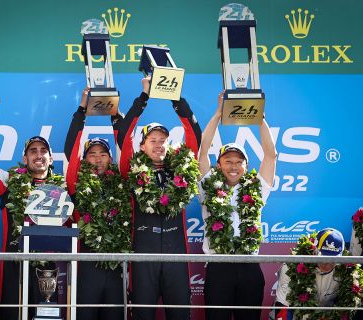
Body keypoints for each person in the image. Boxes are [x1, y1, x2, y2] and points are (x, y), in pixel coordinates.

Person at [116, 77, 202, 320]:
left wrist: (176, 97)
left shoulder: (182, 169)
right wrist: (143, 98)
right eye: (152, 140)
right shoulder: (131, 170)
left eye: (163, 140)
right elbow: (123, 136)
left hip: (176, 257)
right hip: (143, 258)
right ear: (142, 146)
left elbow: (194, 135)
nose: (158, 144)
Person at [0, 136, 64, 320]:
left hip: (47, 269)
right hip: (13, 267)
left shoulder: (62, 190)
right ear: (25, 159)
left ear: (51, 159)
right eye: (33, 151)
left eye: (43, 151)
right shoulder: (9, 182)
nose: (38, 155)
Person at [198, 93, 277, 320]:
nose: (233, 166)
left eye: (238, 162)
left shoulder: (256, 190)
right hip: (218, 267)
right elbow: (202, 152)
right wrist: (218, 114)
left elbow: (271, 156)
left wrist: (259, 118)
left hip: (249, 267)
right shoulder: (208, 189)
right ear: (219, 165)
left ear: (246, 165)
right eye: (228, 161)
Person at [64, 88, 131, 320]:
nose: (98, 158)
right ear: (84, 160)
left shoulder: (123, 183)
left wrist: (115, 115)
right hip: (87, 266)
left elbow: (126, 148)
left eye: (103, 154)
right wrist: (82, 110)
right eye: (92, 154)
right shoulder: (76, 184)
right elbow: (70, 149)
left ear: (110, 159)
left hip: (116, 267)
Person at [274, 228, 360, 320]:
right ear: (314, 250)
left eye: (333, 259)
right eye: (323, 257)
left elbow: (347, 309)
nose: (327, 263)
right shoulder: (291, 266)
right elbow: (284, 307)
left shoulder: (348, 271)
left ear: (342, 256)